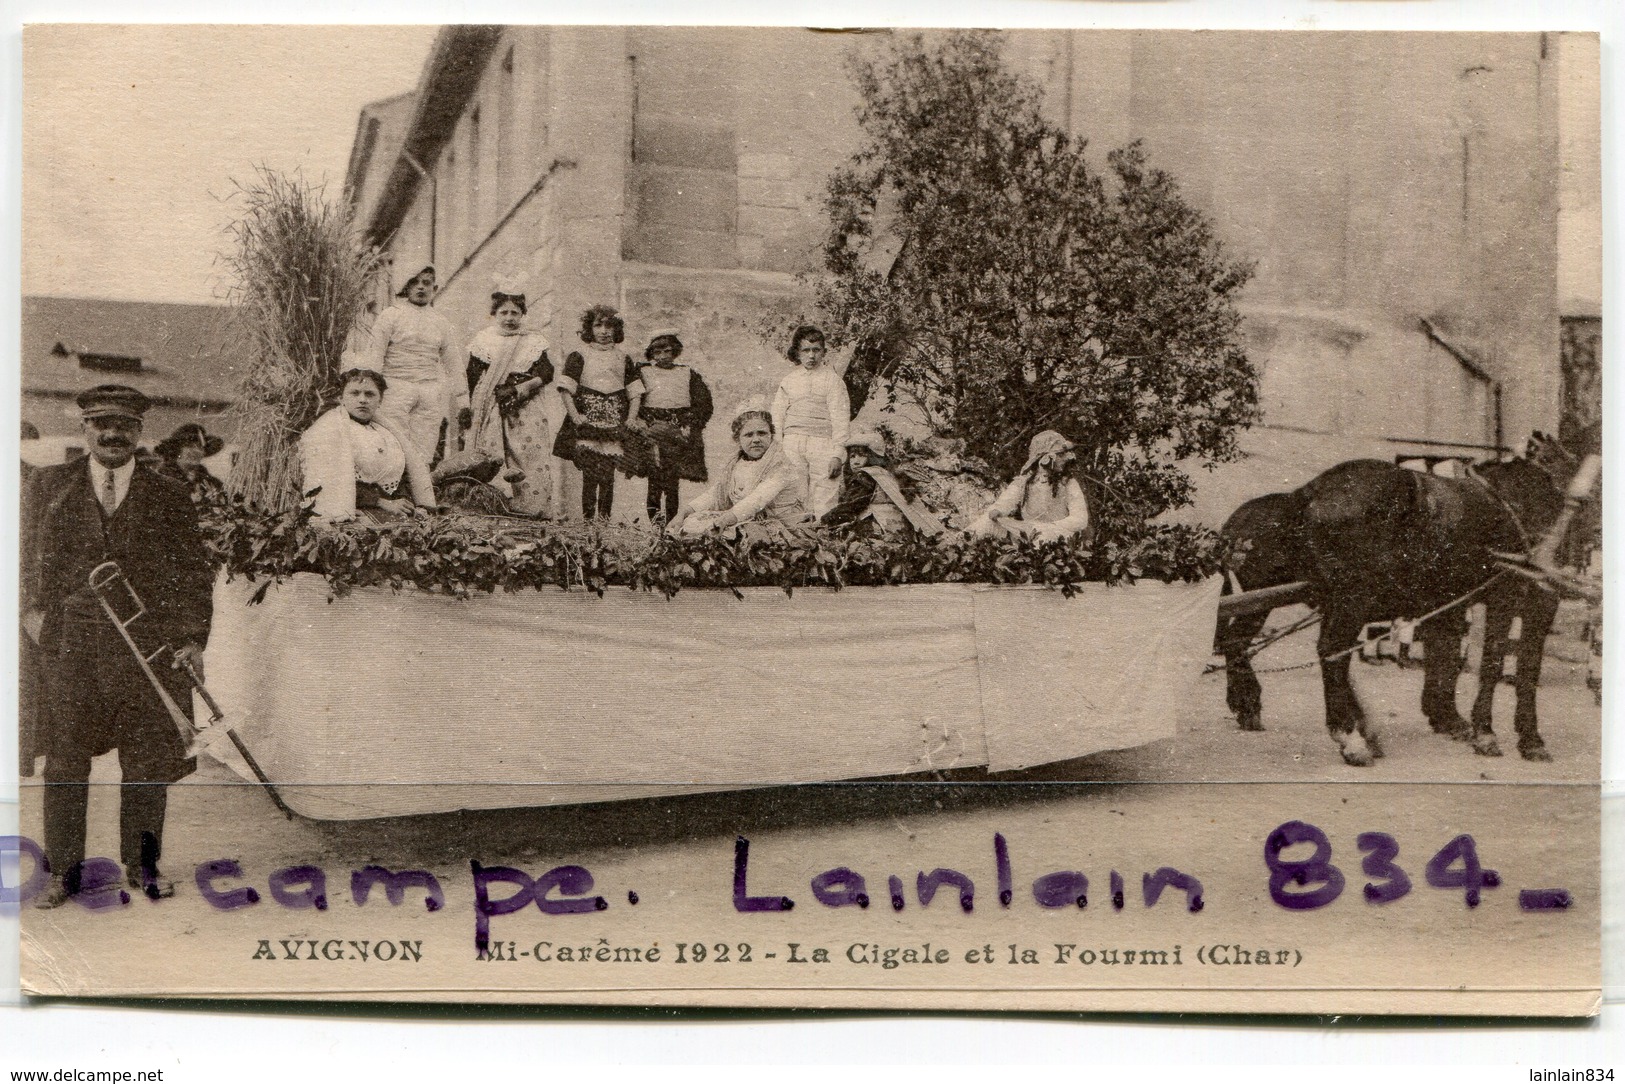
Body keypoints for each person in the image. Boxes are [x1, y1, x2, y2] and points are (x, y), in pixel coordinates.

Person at [21, 385, 214, 906]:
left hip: (146, 647)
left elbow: (194, 572)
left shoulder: (169, 493)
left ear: (140, 431)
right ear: (84, 427)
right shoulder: (47, 485)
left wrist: (192, 638)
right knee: (64, 763)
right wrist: (33, 621)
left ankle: (143, 866)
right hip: (71, 647)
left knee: (148, 762)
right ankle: (63, 871)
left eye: (124, 424)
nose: (112, 433)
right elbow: (19, 559)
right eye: (100, 422)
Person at [463, 280, 555, 517]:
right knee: (492, 456)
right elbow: (472, 377)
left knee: (529, 454)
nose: (509, 317)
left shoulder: (533, 340)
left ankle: (532, 508)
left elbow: (547, 373)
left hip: (527, 405)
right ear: (494, 313)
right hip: (492, 405)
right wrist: (469, 408)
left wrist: (520, 389)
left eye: (515, 312)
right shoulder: (484, 340)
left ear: (523, 314)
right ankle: (496, 507)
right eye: (503, 312)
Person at [300, 369, 436, 521]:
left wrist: (405, 503)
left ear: (380, 400)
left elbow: (400, 472)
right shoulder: (329, 428)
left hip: (388, 507)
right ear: (341, 398)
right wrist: (380, 502)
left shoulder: (386, 432)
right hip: (349, 506)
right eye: (355, 393)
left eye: (370, 394)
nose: (363, 400)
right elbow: (330, 480)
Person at [362, 265, 465, 465]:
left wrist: (463, 401)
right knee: (392, 443)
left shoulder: (440, 322)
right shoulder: (391, 315)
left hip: (428, 390)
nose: (420, 288)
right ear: (406, 288)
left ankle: (416, 493)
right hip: (394, 386)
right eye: (414, 283)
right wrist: (370, 390)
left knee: (424, 450)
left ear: (434, 289)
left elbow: (453, 361)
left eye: (426, 283)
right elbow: (375, 354)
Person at [552, 305, 646, 521]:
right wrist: (575, 416)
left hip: (613, 421)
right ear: (589, 328)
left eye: (609, 326)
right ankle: (587, 521)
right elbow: (566, 389)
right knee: (590, 475)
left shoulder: (623, 358)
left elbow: (635, 392)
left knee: (608, 475)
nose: (604, 331)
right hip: (588, 421)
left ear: (616, 329)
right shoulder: (579, 355)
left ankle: (604, 521)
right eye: (598, 325)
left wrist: (631, 418)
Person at [668, 400, 808, 536]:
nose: (756, 439)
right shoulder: (736, 464)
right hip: (745, 518)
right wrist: (684, 512)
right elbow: (715, 494)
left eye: (762, 433)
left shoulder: (782, 466)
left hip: (782, 527)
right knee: (690, 524)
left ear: (771, 435)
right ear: (738, 439)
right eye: (748, 435)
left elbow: (756, 500)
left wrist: (724, 520)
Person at [635, 328, 713, 525]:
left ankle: (671, 525)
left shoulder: (687, 373)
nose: (662, 356)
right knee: (654, 483)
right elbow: (633, 399)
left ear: (675, 351)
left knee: (672, 483)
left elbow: (704, 404)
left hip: (677, 432)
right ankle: (655, 526)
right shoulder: (644, 372)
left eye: (667, 351)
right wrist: (640, 421)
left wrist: (690, 424)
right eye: (657, 352)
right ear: (651, 354)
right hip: (652, 431)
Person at [770, 325, 849, 518]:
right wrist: (778, 447)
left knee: (825, 493)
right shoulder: (789, 380)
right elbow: (777, 415)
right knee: (794, 493)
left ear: (824, 352)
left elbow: (840, 417)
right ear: (798, 352)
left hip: (822, 442)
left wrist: (837, 454)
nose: (811, 356)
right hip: (792, 441)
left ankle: (824, 537)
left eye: (816, 350)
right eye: (806, 350)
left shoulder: (832, 380)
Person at [969, 430, 1091, 544]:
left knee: (1041, 538)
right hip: (1027, 531)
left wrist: (1046, 527)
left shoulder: (1069, 483)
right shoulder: (1024, 482)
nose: (1065, 459)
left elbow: (1080, 519)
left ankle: (1031, 560)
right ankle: (958, 546)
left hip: (1056, 533)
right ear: (1045, 459)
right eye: (1060, 455)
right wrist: (998, 511)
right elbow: (1006, 502)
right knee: (986, 522)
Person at [822, 429, 942, 537]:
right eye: (852, 456)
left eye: (862, 456)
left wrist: (823, 521)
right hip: (898, 528)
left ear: (874, 457)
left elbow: (850, 506)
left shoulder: (865, 475)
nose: (855, 462)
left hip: (878, 528)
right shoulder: (886, 473)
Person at [152, 422, 227, 505]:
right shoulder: (162, 477)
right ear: (177, 449)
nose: (196, 451)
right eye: (189, 446)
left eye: (199, 446)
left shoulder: (211, 482)